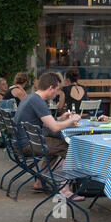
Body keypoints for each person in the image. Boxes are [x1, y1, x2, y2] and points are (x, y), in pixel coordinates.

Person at [14, 72, 82, 200]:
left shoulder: (31, 98)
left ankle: (40, 181)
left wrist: (61, 118)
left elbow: (47, 122)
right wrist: (73, 119)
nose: (57, 93)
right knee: (69, 147)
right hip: (27, 145)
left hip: (20, 143)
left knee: (54, 145)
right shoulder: (38, 101)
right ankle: (65, 190)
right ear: (51, 88)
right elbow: (55, 127)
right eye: (57, 90)